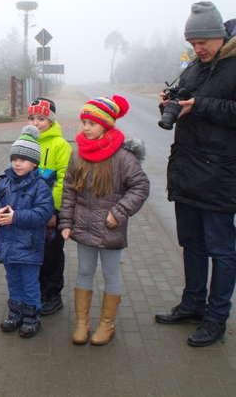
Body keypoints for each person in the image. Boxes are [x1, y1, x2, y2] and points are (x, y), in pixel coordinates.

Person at [155, 2, 236, 347]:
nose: (197, 48)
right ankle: (192, 305)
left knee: (222, 250)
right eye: (192, 42)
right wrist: (171, 102)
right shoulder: (194, 66)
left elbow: (210, 106)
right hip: (187, 171)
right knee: (191, 244)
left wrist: (200, 105)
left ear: (220, 36)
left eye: (203, 42)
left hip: (221, 175)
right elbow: (186, 98)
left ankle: (216, 319)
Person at [59, 95, 149, 346]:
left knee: (111, 274)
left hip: (111, 228)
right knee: (84, 271)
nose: (85, 128)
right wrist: (66, 222)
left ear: (106, 125)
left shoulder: (123, 157)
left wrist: (119, 212)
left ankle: (107, 323)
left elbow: (140, 187)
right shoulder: (78, 153)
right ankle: (82, 322)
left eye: (91, 123)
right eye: (84, 123)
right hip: (83, 226)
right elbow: (69, 190)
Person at [0, 125, 54, 338]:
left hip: (29, 246)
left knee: (30, 283)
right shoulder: (4, 182)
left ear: (34, 163)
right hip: (7, 245)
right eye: (15, 158)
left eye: (23, 159)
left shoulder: (41, 186)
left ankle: (31, 318)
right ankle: (15, 314)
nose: (17, 163)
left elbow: (43, 213)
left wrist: (15, 217)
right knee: (13, 281)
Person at [27, 98, 72, 315]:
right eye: (32, 118)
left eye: (41, 119)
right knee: (32, 252)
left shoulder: (60, 145)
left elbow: (64, 180)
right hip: (28, 211)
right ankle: (35, 291)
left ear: (51, 120)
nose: (36, 123)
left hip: (50, 213)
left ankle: (53, 295)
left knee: (52, 254)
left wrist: (52, 211)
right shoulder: (26, 142)